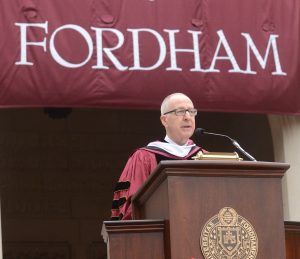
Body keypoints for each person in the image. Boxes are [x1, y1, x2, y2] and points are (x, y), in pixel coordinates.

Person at [111, 93, 205, 220]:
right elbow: (132, 207)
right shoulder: (143, 157)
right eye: (180, 112)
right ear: (164, 120)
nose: (187, 117)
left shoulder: (205, 156)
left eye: (191, 111)